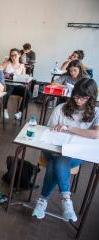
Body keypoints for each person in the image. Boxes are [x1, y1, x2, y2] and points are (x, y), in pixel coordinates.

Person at [32, 78, 99, 222]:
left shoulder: (96, 112)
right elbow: (48, 131)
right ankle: (66, 200)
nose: (79, 100)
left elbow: (95, 134)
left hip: (75, 153)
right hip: (52, 148)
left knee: (58, 161)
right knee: (59, 156)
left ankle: (43, 200)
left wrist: (68, 128)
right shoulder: (61, 108)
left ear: (91, 97)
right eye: (76, 96)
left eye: (84, 97)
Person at [1, 48, 30, 120]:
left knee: (28, 94)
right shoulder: (7, 63)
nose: (13, 57)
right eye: (11, 55)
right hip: (8, 85)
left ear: (19, 55)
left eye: (15, 55)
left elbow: (23, 79)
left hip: (17, 86)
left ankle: (20, 112)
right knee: (6, 92)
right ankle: (4, 109)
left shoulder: (22, 66)